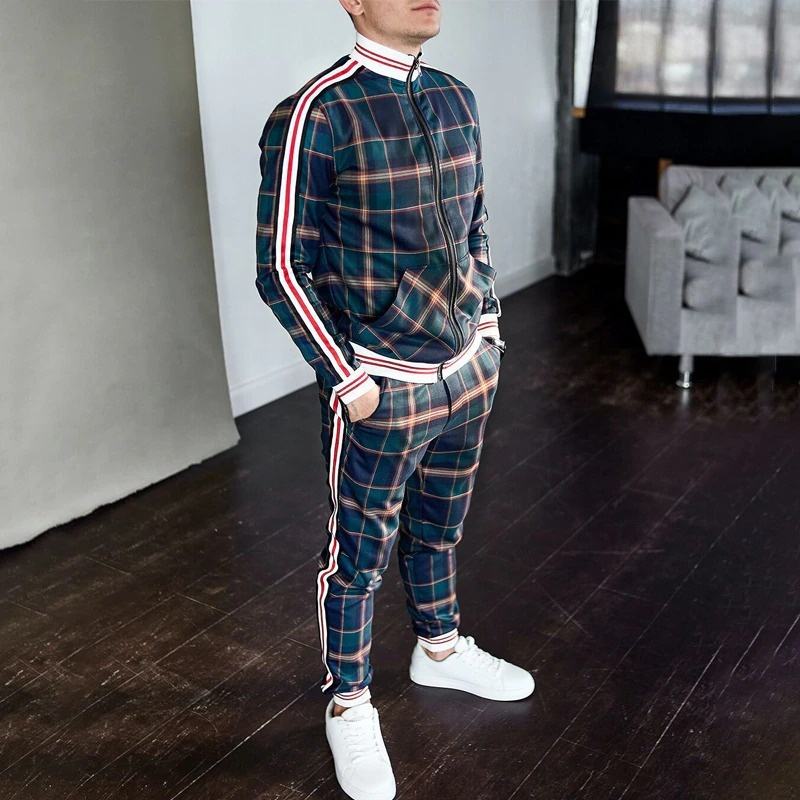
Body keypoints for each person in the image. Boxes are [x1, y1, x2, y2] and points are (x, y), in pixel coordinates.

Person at [255, 1, 534, 798]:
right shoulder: (315, 113)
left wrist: (487, 326)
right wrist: (348, 380)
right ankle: (348, 703)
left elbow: (474, 224)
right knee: (358, 555)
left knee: (440, 528)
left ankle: (439, 650)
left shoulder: (455, 95)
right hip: (382, 384)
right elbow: (281, 267)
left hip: (468, 372)